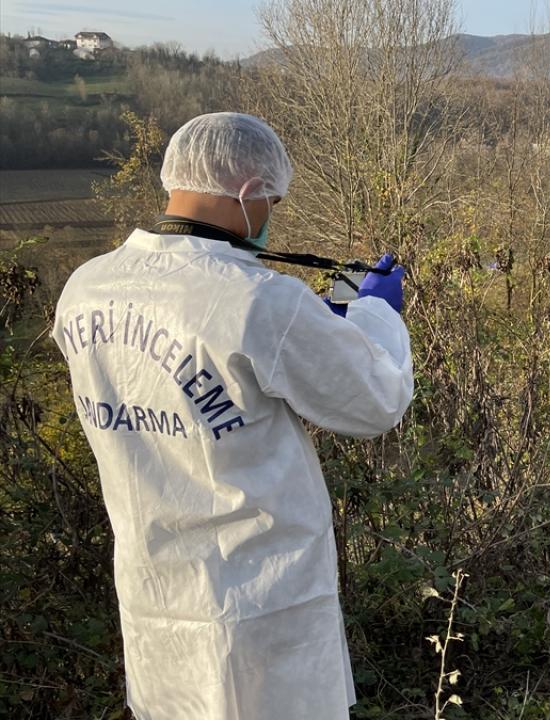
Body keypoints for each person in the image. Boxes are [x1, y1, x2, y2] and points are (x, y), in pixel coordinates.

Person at [53, 112, 414, 719]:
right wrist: (377, 315)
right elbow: (375, 399)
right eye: (271, 199)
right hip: (260, 605)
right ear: (249, 191)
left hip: (156, 595)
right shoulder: (259, 301)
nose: (271, 214)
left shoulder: (86, 287)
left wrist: (310, 326)